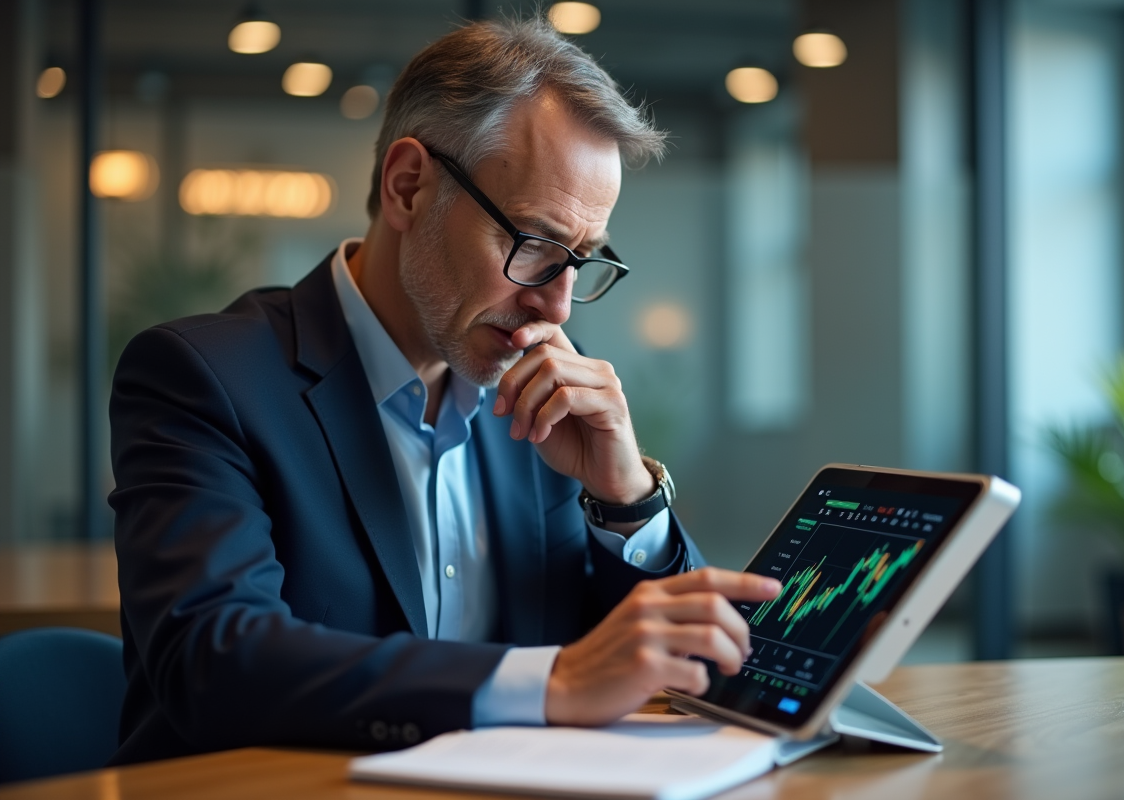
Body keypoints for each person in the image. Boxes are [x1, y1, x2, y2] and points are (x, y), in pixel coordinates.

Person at [108, 17, 780, 766]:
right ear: (408, 187)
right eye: (532, 243)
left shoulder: (546, 389)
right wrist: (551, 681)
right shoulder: (205, 377)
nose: (557, 306)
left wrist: (626, 499)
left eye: (580, 260)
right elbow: (212, 661)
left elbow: (695, 669)